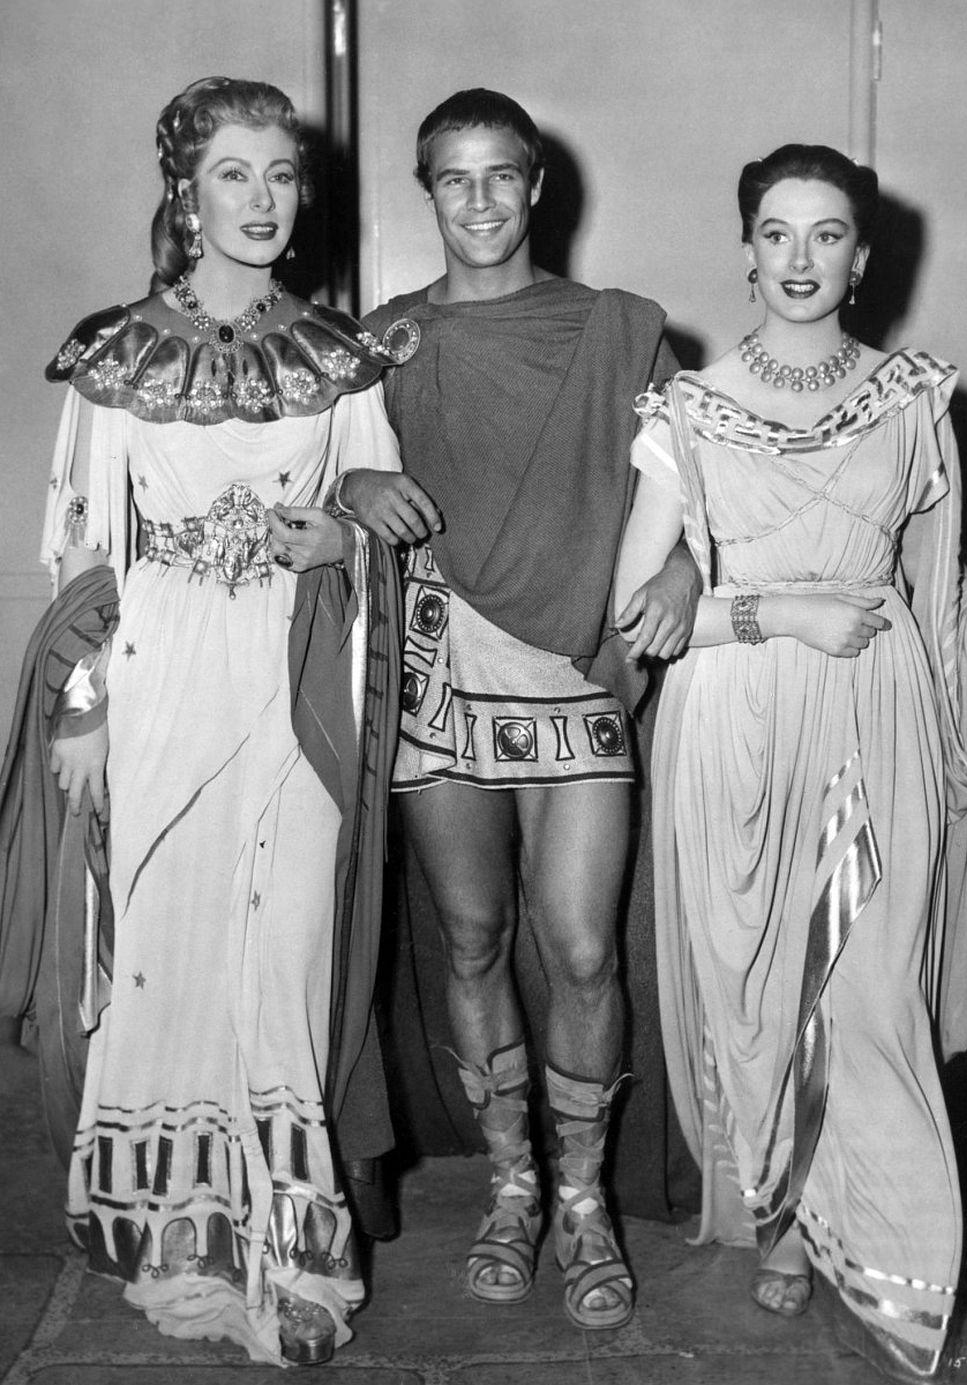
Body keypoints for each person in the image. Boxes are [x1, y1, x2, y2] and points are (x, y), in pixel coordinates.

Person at [0, 76, 416, 1365]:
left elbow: (376, 506)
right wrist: (81, 708)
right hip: (158, 672)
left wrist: (343, 526)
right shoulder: (116, 352)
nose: (264, 202)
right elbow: (78, 550)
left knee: (281, 952)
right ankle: (183, 1232)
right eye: (236, 174)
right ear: (184, 189)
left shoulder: (340, 354)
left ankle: (293, 1245)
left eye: (283, 176)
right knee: (162, 951)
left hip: (292, 683)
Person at [615, 144, 967, 1382]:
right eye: (778, 232)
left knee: (871, 993)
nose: (801, 259)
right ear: (744, 249)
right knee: (761, 1002)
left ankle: (900, 1256)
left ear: (864, 256)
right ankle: (788, 1217)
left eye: (829, 233)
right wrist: (777, 614)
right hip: (738, 717)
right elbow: (639, 609)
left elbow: (937, 584)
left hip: (881, 714)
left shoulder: (913, 401)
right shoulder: (686, 412)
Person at [339, 89, 699, 1330]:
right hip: (442, 679)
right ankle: (511, 1188)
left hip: (572, 675)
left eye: (503, 176)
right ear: (425, 191)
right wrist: (357, 469)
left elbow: (699, 485)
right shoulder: (378, 343)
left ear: (540, 184)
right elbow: (301, 470)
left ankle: (585, 1195)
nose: (481, 201)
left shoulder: (621, 328)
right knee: (475, 939)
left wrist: (685, 569)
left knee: (583, 946)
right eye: (455, 179)